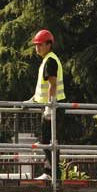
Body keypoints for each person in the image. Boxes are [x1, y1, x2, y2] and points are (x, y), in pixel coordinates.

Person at [29, 29, 65, 180]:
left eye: (40, 45)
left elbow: (52, 85)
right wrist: (31, 100)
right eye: (36, 45)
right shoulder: (47, 60)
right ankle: (50, 172)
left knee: (48, 141)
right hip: (51, 106)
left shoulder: (50, 60)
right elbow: (43, 87)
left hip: (53, 107)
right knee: (49, 141)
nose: (37, 48)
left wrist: (50, 107)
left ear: (49, 45)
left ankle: (53, 174)